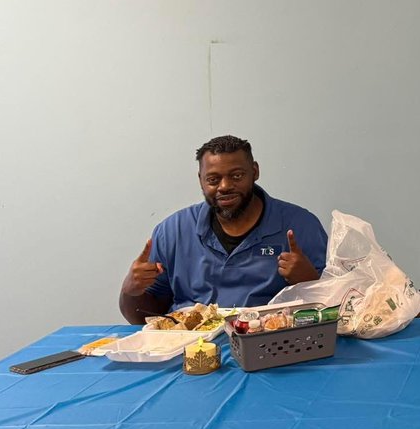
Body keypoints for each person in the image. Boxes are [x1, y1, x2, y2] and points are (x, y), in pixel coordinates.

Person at [119, 135, 328, 322]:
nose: (225, 186)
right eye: (213, 179)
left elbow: (335, 307)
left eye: (236, 176)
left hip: (270, 345)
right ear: (200, 181)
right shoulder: (172, 231)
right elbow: (145, 317)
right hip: (190, 346)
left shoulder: (301, 225)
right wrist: (131, 291)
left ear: (254, 172)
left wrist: (309, 282)